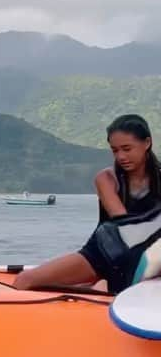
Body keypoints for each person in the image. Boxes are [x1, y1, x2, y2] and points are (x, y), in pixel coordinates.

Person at [14, 113, 161, 293]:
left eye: (127, 148)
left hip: (146, 257)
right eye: (115, 150)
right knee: (24, 280)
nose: (121, 156)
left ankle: (101, 286)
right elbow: (125, 226)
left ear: (146, 143)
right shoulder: (106, 178)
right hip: (103, 253)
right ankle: (100, 284)